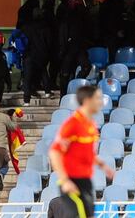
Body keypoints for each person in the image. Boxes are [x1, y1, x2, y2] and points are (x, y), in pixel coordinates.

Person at [49, 86, 114, 218]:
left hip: (85, 180)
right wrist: (65, 180)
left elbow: (87, 152)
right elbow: (54, 153)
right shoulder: (72, 124)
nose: (101, 102)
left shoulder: (90, 124)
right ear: (87, 101)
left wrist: (103, 165)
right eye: (97, 98)